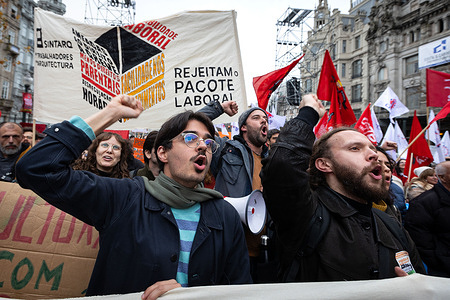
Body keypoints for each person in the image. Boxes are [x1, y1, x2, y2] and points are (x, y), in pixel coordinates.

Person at [16, 95, 251, 298]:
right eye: (190, 138)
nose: (203, 146)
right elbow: (37, 168)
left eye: (209, 142)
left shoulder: (224, 216)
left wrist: (189, 294)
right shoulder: (124, 198)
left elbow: (240, 290)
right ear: (162, 153)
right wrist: (110, 113)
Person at [260, 94, 425, 282]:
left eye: (372, 148)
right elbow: (282, 165)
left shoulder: (392, 225)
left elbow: (419, 277)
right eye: (355, 148)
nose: (374, 155)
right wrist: (308, 114)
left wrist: (413, 286)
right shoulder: (307, 215)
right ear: (324, 164)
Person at [200, 102, 275, 283]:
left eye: (265, 119)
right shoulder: (227, 150)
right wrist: (219, 108)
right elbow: (193, 122)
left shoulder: (273, 158)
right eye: (256, 118)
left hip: (267, 248)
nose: (263, 121)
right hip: (233, 245)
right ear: (243, 127)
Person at [404, 161, 450, 277]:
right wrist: (440, 262)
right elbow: (420, 240)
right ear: (442, 177)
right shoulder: (423, 203)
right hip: (443, 270)